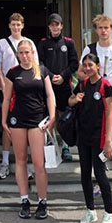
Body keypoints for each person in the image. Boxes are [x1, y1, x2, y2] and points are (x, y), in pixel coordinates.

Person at [77, 14, 112, 201]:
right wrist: (92, 75)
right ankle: (99, 181)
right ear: (96, 30)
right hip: (95, 99)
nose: (103, 31)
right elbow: (79, 72)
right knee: (97, 142)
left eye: (106, 27)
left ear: (111, 28)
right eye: (100, 28)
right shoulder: (89, 49)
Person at [2, 39, 56, 220]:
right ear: (17, 55)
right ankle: (24, 200)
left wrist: (53, 116)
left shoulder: (42, 70)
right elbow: (7, 98)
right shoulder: (12, 73)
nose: (24, 56)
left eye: (27, 52)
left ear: (32, 53)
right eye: (21, 53)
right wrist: (3, 121)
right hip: (17, 121)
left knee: (39, 163)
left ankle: (42, 201)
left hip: (37, 121)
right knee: (20, 160)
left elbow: (49, 95)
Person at [68, 53, 112, 223]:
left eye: (91, 65)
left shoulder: (105, 86)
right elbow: (70, 101)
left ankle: (110, 214)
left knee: (100, 174)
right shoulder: (81, 84)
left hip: (100, 137)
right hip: (84, 136)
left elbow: (110, 114)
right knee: (84, 174)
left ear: (98, 66)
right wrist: (76, 99)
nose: (88, 68)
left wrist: (109, 141)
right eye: (85, 65)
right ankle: (90, 210)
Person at [0, 13, 39, 180]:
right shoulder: (1, 43)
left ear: (23, 26)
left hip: (25, 92)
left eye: (18, 25)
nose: (16, 27)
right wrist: (4, 87)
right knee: (7, 127)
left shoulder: (29, 43)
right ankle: (5, 163)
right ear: (9, 25)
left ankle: (25, 165)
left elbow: (35, 66)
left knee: (25, 128)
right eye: (13, 24)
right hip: (7, 91)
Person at [37, 13, 79, 161]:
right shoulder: (43, 43)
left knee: (64, 115)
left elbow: (74, 63)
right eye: (52, 24)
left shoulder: (69, 43)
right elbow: (40, 63)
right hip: (48, 85)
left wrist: (62, 76)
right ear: (49, 27)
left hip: (64, 85)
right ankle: (51, 143)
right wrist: (50, 76)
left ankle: (66, 146)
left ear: (61, 26)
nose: (55, 27)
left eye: (57, 24)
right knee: (50, 114)